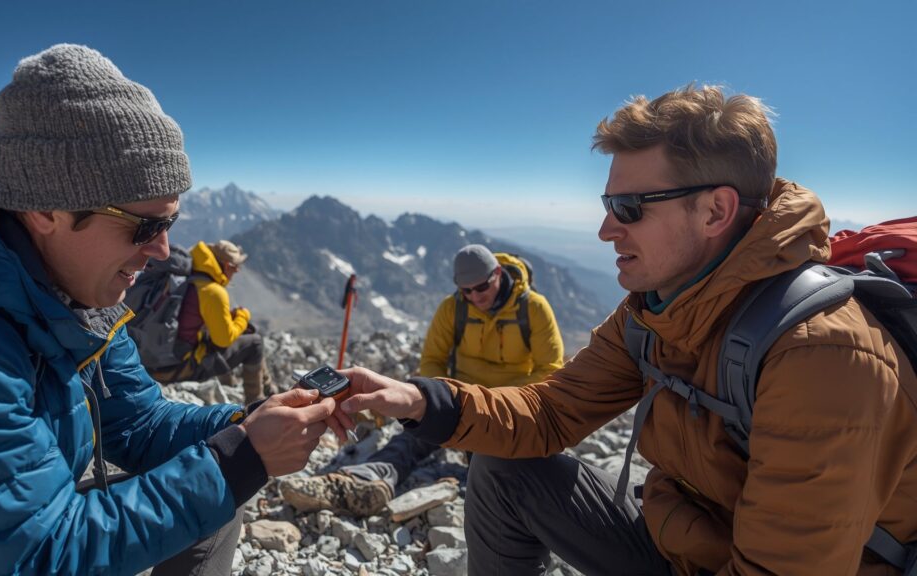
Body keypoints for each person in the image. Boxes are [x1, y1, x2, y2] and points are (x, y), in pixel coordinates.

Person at [331, 84, 917, 575]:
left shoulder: (824, 356)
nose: (606, 230)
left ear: (715, 211)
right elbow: (550, 413)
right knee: (503, 467)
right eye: (608, 202)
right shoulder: (656, 308)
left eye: (631, 207)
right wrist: (416, 397)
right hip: (683, 542)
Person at [0, 44, 346, 576]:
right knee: (218, 483)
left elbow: (139, 422)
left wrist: (253, 424)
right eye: (146, 226)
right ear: (44, 210)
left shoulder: (77, 290)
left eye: (170, 222)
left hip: (10, 538)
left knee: (212, 505)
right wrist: (243, 457)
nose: (161, 251)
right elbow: (38, 557)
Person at [280, 244, 564, 516]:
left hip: (508, 405)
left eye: (481, 287)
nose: (475, 296)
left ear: (498, 274)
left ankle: (498, 492)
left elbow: (550, 370)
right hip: (461, 399)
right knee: (413, 435)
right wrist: (437, 403)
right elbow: (432, 361)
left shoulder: (534, 309)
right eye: (466, 291)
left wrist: (497, 402)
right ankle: (365, 480)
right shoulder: (452, 308)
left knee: (496, 460)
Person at [163, 239, 270, 403]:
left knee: (213, 339)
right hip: (177, 368)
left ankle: (242, 386)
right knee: (254, 343)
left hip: (151, 363)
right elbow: (224, 339)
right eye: (235, 269)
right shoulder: (213, 292)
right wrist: (243, 316)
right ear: (227, 266)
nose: (236, 272)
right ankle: (256, 403)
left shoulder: (185, 278)